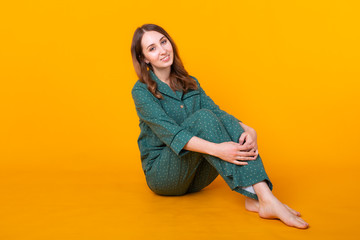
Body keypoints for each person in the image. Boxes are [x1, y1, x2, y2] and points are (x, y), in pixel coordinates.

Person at [130, 23, 309, 229]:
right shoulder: (141, 91)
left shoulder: (190, 82)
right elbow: (172, 134)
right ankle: (267, 199)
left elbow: (219, 113)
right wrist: (218, 150)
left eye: (163, 42)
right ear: (144, 59)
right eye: (152, 48)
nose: (162, 50)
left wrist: (248, 129)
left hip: (196, 178)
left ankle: (257, 198)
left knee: (219, 119)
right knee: (204, 118)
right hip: (164, 177)